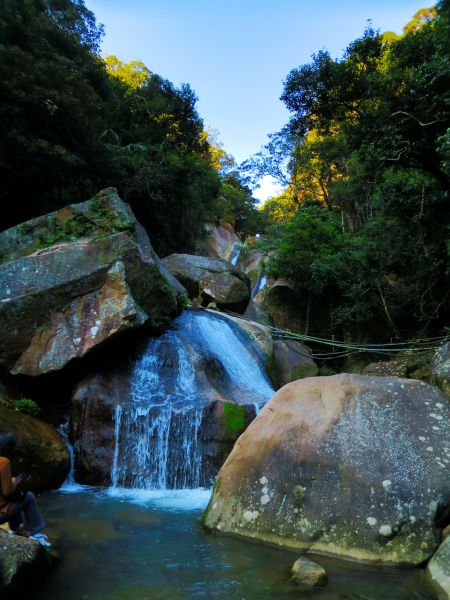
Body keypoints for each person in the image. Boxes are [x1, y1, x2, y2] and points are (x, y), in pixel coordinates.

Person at [0, 432, 51, 547]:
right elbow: (7, 491)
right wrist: (13, 482)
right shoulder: (3, 462)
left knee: (14, 499)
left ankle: (15, 529)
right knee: (28, 496)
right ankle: (34, 531)